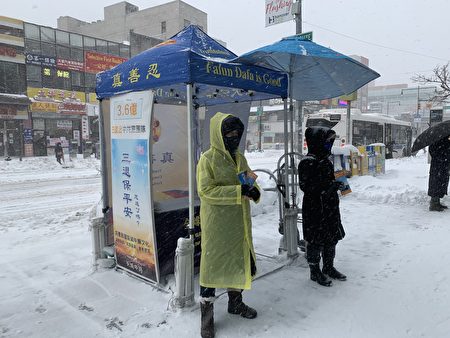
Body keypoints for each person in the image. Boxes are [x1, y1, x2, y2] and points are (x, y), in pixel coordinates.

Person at [196, 112, 261, 338]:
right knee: (211, 269)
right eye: (229, 134)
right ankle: (206, 319)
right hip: (218, 225)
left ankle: (236, 304)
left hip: (239, 223)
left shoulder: (240, 157)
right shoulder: (208, 159)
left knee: (237, 263)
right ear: (218, 135)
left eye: (237, 134)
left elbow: (248, 180)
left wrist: (253, 191)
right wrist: (237, 191)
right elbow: (206, 191)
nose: (233, 137)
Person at [298, 126, 346, 287]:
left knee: (331, 237)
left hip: (330, 206)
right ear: (316, 142)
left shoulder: (326, 160)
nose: (329, 146)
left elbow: (329, 180)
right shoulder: (307, 162)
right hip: (315, 208)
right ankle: (314, 271)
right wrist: (327, 188)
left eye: (330, 142)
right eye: (326, 142)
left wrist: (337, 184)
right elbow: (307, 187)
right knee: (315, 240)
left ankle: (328, 266)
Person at [428, 136, 450, 211]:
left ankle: (437, 203)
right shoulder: (438, 141)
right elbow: (434, 152)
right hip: (438, 168)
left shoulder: (442, 140)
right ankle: (433, 204)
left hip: (441, 167)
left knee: (440, 185)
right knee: (436, 185)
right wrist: (442, 158)